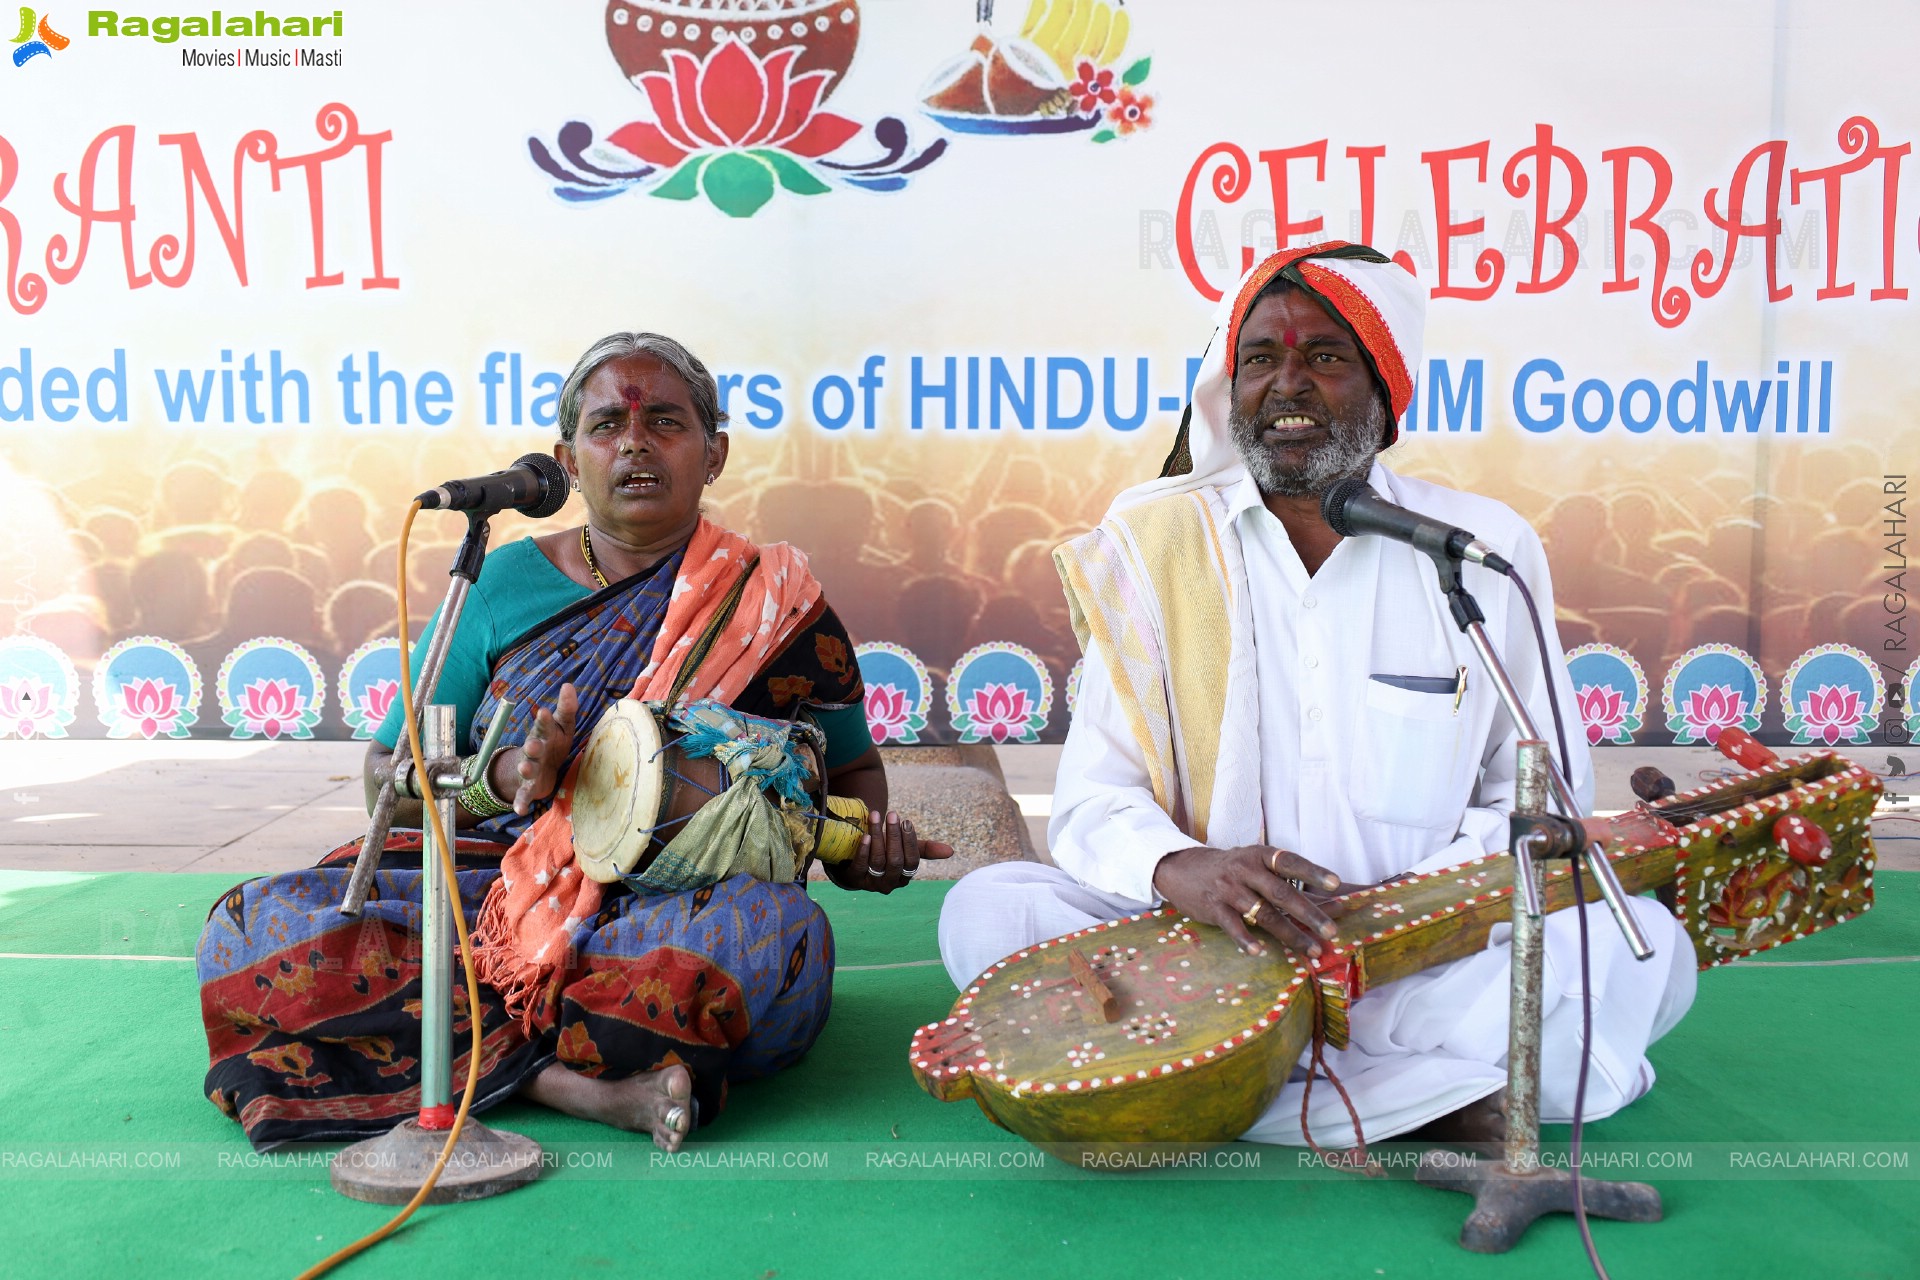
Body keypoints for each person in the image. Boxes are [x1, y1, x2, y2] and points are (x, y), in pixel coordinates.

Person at [937, 243, 1697, 1147]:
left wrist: (1405, 905)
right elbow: (1094, 800)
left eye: (1324, 356)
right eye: (1260, 359)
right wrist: (1186, 870)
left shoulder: (1477, 548)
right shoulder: (1159, 546)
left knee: (1637, 952)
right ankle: (1429, 1099)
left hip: (1417, 960)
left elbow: (1540, 795)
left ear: (1385, 390)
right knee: (986, 913)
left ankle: (1236, 1080)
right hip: (1205, 951)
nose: (1286, 383)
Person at [198, 332, 948, 1153]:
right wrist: (501, 778)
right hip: (497, 894)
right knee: (253, 931)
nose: (634, 441)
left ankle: (480, 1054)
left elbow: (854, 772)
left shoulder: (775, 603)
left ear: (715, 453)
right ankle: (570, 1082)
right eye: (606, 427)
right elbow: (385, 775)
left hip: (677, 905)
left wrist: (858, 849)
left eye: (665, 422)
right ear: (567, 457)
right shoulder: (497, 585)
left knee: (769, 939)